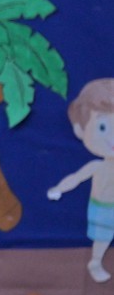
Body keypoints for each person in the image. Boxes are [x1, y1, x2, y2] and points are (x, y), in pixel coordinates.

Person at [48, 78, 114, 283]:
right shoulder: (98, 166)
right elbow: (77, 178)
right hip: (103, 208)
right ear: (81, 129)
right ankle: (95, 261)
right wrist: (59, 188)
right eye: (103, 127)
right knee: (103, 237)